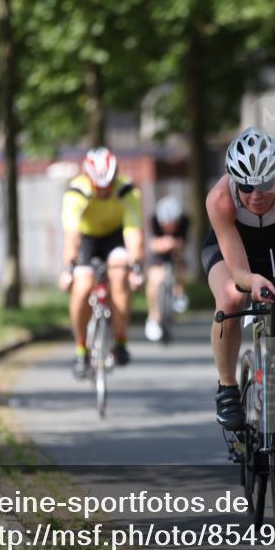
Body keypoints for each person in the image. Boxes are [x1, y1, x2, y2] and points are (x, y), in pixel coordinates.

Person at [202, 127, 275, 503]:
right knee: (233, 300)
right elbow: (238, 273)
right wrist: (252, 282)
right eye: (246, 187)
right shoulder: (220, 199)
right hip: (233, 253)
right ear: (234, 183)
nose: (256, 195)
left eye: (264, 184)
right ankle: (227, 387)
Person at [59, 148, 145, 379]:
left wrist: (136, 267)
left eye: (108, 185)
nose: (105, 191)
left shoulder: (127, 189)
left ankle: (120, 340)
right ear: (88, 178)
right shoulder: (76, 191)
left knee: (119, 278)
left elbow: (133, 232)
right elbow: (71, 235)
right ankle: (80, 351)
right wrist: (68, 268)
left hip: (115, 237)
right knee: (82, 289)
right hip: (87, 239)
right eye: (100, 187)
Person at [144, 195, 190, 342]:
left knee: (180, 266)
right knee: (154, 279)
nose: (168, 227)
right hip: (158, 255)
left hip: (175, 253)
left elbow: (183, 243)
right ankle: (154, 315)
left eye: (172, 223)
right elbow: (152, 244)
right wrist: (164, 243)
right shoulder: (153, 221)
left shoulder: (184, 221)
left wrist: (174, 245)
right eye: (165, 224)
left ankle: (179, 291)